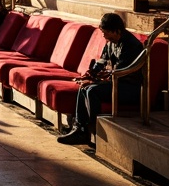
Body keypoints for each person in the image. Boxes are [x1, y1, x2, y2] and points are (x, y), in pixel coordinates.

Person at [57, 11, 145, 145]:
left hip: (129, 87)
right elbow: (101, 61)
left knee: (92, 90)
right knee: (84, 87)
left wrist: (95, 81)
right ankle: (80, 129)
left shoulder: (131, 45)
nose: (104, 36)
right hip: (115, 83)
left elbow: (120, 72)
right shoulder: (111, 42)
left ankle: (94, 129)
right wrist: (89, 76)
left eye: (106, 32)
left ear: (116, 30)